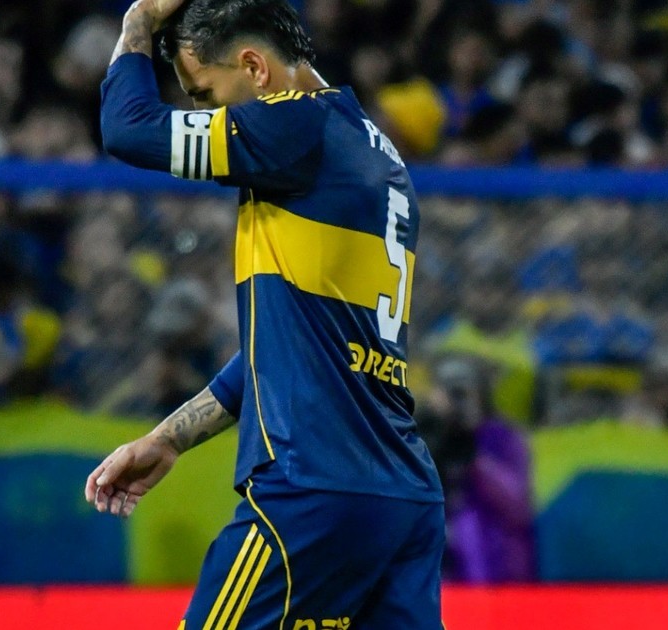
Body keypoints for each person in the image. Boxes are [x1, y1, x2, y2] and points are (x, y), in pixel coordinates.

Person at [84, 1, 444, 628]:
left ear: (254, 68)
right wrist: (170, 438)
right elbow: (286, 346)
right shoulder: (372, 149)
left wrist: (138, 19)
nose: (202, 114)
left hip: (312, 490)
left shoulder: (293, 125)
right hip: (403, 498)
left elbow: (127, 127)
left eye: (204, 95)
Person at [418, 358, 535, 584]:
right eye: (450, 391)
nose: (457, 401)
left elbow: (518, 506)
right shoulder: (424, 433)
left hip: (496, 571)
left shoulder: (502, 437)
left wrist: (475, 459)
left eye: (463, 392)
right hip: (440, 572)